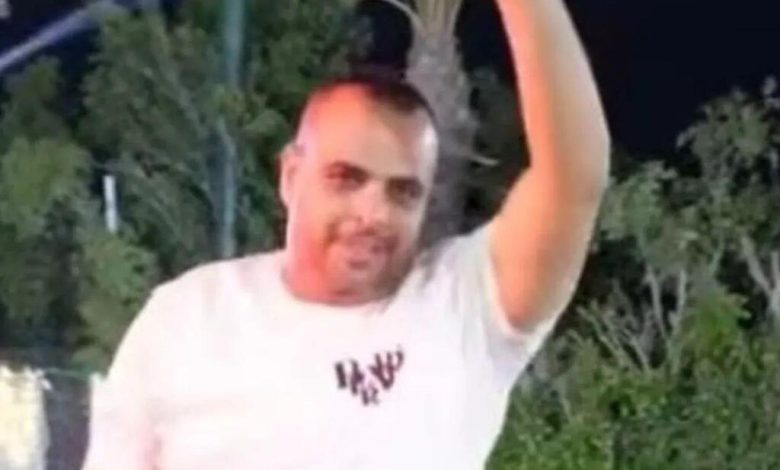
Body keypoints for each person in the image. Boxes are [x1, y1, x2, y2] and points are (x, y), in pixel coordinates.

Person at [81, 0, 610, 468]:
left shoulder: (465, 307)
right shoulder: (186, 315)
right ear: (291, 176)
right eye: (347, 179)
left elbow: (574, 179)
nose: (373, 212)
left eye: (403, 192)